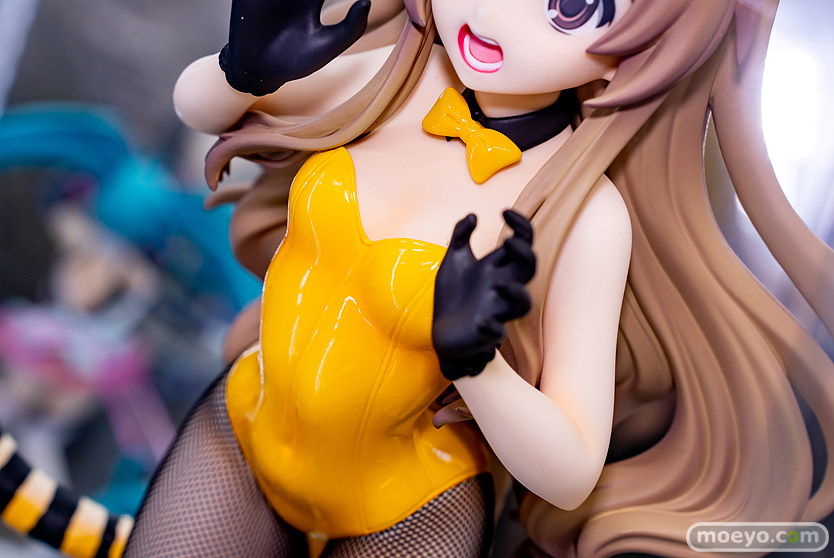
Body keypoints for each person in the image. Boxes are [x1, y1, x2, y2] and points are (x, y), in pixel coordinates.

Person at [124, 0, 834, 556]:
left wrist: (477, 364)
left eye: (570, 5)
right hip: (250, 420)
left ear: (647, 45)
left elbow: (571, 467)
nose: (493, 12)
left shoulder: (583, 211)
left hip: (408, 508)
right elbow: (200, 108)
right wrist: (242, 70)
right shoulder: (395, 81)